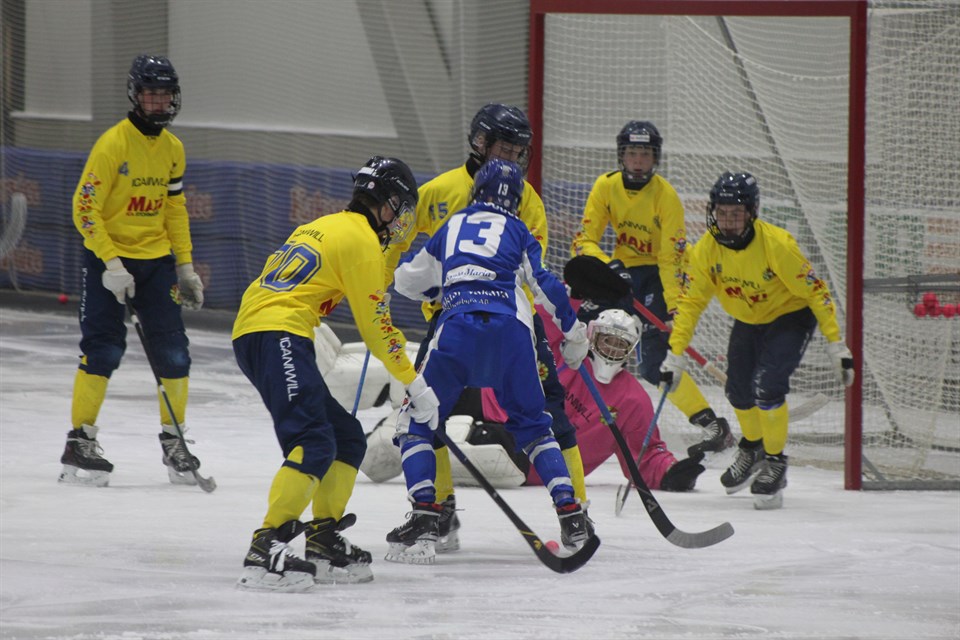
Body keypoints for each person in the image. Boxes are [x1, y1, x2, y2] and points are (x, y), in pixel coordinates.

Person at [383, 103, 590, 554]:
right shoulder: (502, 210)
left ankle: (427, 511)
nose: (512, 156)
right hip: (513, 328)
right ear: (480, 143)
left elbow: (405, 277)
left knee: (418, 418)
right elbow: (542, 282)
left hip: (455, 325)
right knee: (536, 425)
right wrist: (575, 335)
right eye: (505, 148)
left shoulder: (456, 219)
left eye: (518, 150)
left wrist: (419, 284)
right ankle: (570, 509)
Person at [231, 156, 440, 591]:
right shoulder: (362, 240)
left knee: (345, 437)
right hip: (278, 333)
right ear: (386, 204)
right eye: (401, 208)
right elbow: (377, 329)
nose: (402, 219)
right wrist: (414, 382)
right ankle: (265, 546)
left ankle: (323, 539)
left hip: (263, 331)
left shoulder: (326, 224)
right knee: (313, 440)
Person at [660, 172, 855, 510]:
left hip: (790, 317)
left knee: (767, 387)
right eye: (721, 213)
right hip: (749, 319)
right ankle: (752, 448)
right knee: (737, 390)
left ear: (752, 213)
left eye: (736, 213)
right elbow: (691, 304)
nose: (727, 221)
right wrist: (674, 356)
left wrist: (836, 344)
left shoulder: (777, 245)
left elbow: (816, 292)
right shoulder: (705, 250)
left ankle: (776, 462)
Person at [59, 54, 205, 488]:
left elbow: (174, 209)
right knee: (102, 350)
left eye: (165, 95)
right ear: (136, 96)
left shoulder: (173, 149)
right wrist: (110, 262)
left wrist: (185, 266)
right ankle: (80, 442)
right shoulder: (112, 145)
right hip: (108, 261)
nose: (159, 103)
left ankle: (175, 441)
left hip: (156, 264)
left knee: (174, 353)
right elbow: (84, 208)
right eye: (151, 94)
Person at [571, 120, 734, 458]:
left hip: (659, 275)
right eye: (632, 153)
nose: (638, 161)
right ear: (621, 155)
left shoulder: (665, 196)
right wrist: (607, 266)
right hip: (620, 271)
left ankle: (713, 426)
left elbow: (670, 258)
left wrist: (674, 307)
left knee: (653, 364)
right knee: (579, 334)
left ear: (655, 157)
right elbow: (584, 240)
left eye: (645, 154)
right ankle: (571, 416)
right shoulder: (605, 186)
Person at [480, 307, 706, 492]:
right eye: (607, 340)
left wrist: (671, 472)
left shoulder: (633, 400)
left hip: (533, 464)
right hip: (500, 417)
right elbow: (540, 315)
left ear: (631, 351)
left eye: (621, 345)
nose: (612, 349)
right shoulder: (565, 354)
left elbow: (645, 454)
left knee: (487, 438)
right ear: (592, 335)